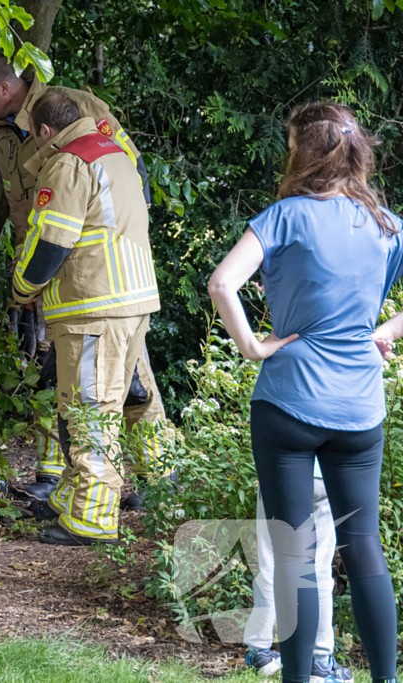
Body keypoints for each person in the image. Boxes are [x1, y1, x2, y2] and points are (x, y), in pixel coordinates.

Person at [208, 101, 399, 683]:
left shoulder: (284, 215)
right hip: (359, 408)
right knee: (363, 546)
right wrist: (384, 334)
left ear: (301, 153)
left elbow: (222, 281)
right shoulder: (388, 225)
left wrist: (252, 346)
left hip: (288, 400)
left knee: (293, 553)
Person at [0, 51, 163, 506]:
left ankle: (155, 478)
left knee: (128, 384)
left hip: (99, 277)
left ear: (4, 88)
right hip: (52, 276)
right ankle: (58, 478)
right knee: (63, 377)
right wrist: (28, 277)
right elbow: (24, 213)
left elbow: (128, 171)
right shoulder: (4, 134)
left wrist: (116, 242)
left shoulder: (71, 105)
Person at [11, 91, 163, 546]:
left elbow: (50, 242)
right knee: (99, 406)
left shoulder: (68, 163)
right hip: (131, 300)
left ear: (42, 130)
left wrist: (22, 289)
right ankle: (76, 497)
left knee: (90, 413)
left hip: (93, 305)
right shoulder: (115, 152)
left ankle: (93, 518)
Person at [244, 464, 354, 682]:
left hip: (281, 468)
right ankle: (320, 663)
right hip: (325, 473)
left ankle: (260, 652)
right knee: (319, 568)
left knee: (270, 561)